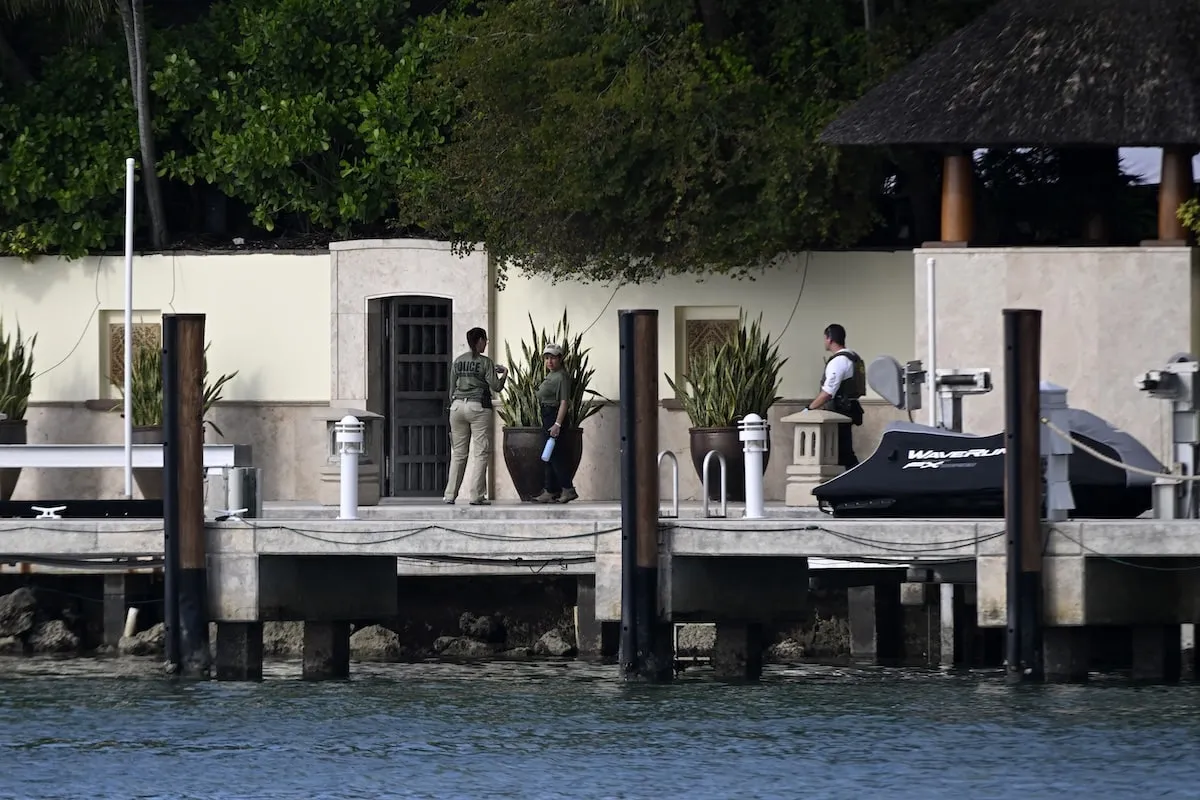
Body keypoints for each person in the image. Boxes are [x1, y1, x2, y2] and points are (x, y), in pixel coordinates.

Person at [443, 327, 507, 505]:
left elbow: (451, 389)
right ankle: (476, 495)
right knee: (480, 452)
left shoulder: (458, 361)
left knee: (458, 454)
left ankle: (450, 495)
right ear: (479, 340)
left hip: (456, 407)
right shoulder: (485, 362)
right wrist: (505, 374)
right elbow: (496, 387)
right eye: (485, 340)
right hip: (478, 406)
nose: (486, 343)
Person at [804, 323, 866, 469]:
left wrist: (809, 408)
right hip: (849, 408)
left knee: (841, 454)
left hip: (840, 411)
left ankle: (856, 484)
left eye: (825, 338)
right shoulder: (853, 357)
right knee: (844, 452)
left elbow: (828, 392)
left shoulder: (838, 361)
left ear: (829, 339)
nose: (824, 341)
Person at [532, 343, 578, 504]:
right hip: (547, 414)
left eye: (553, 357)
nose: (549, 361)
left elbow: (565, 402)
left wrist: (557, 424)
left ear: (560, 358)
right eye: (546, 358)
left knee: (556, 455)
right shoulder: (551, 375)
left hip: (555, 415)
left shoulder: (562, 376)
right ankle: (550, 490)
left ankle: (568, 488)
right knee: (549, 455)